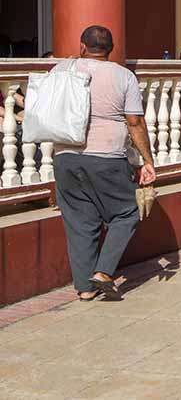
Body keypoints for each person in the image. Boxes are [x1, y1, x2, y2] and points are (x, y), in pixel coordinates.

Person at [49, 26, 156, 301]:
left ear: (82, 46)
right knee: (128, 210)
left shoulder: (61, 69)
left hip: (65, 155)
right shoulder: (123, 76)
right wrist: (147, 160)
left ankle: (85, 289)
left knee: (80, 222)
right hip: (106, 156)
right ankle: (104, 272)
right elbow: (134, 122)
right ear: (111, 49)